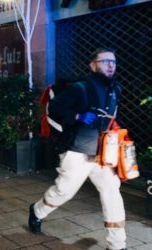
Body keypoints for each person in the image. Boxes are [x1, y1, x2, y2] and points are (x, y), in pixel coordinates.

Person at [28, 48, 127, 250]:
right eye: (105, 61)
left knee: (112, 192)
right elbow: (54, 109)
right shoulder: (79, 88)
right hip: (77, 151)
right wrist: (77, 117)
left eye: (113, 62)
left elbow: (111, 117)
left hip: (102, 155)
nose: (110, 65)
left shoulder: (115, 89)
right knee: (64, 191)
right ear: (93, 65)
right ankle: (37, 211)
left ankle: (117, 244)